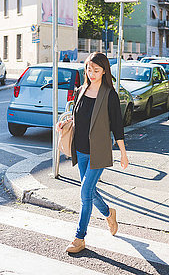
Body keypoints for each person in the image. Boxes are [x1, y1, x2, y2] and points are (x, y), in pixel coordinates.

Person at [56, 52, 129, 254]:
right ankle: (108, 213)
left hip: (99, 152)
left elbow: (117, 126)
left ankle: (80, 238)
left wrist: (123, 153)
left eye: (96, 70)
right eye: (89, 69)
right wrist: (64, 123)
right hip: (80, 150)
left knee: (84, 193)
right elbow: (77, 115)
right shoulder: (81, 90)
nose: (91, 73)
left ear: (104, 71)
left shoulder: (109, 95)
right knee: (89, 191)